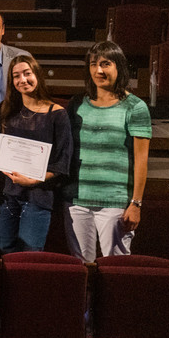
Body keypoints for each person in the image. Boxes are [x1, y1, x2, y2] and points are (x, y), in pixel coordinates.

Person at [64, 40, 151, 262]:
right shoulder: (76, 104)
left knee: (116, 269)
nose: (99, 70)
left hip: (115, 203)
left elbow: (141, 160)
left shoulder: (135, 107)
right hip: (77, 201)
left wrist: (136, 203)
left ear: (118, 67)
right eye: (93, 64)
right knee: (82, 269)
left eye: (105, 64)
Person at [0, 55, 72, 253]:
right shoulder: (6, 110)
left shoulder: (57, 114)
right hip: (7, 195)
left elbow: (63, 161)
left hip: (39, 196)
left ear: (37, 75)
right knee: (2, 246)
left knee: (30, 251)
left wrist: (33, 181)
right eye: (16, 76)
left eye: (27, 74)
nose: (22, 80)